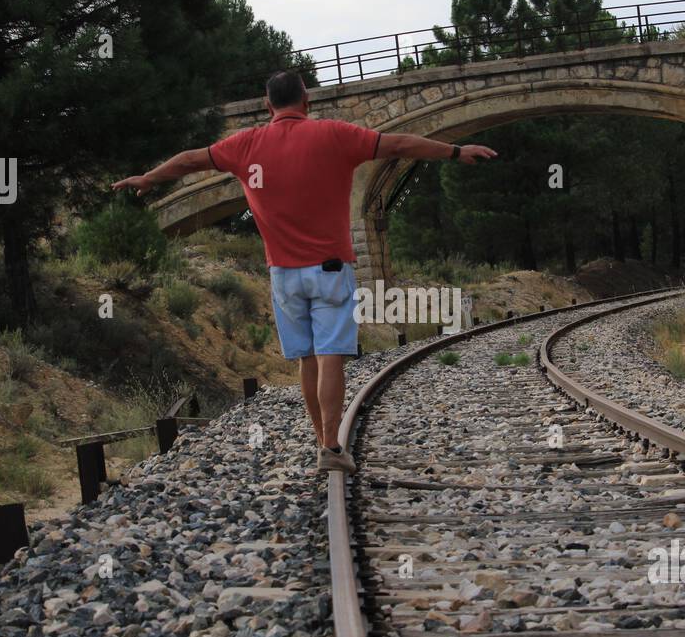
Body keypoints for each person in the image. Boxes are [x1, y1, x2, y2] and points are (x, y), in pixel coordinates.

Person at [112, 70, 497, 475]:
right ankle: (331, 446)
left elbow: (192, 159)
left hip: (282, 275)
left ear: (267, 105)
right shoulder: (336, 134)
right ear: (306, 100)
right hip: (330, 270)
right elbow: (400, 143)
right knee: (332, 356)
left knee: (307, 359)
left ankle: (321, 439)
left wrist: (150, 178)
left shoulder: (244, 145)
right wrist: (456, 152)